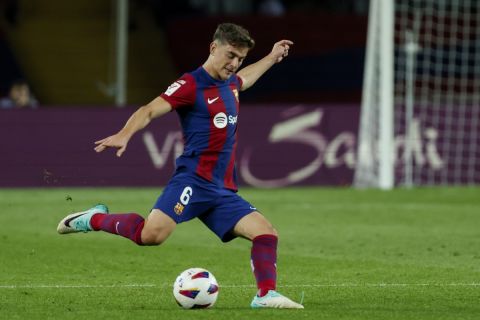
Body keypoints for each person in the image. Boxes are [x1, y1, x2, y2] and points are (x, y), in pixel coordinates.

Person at [57, 22, 302, 309]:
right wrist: (125, 133)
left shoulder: (231, 82)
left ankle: (265, 295)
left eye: (240, 59)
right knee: (151, 236)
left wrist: (272, 57)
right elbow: (148, 109)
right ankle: (94, 219)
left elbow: (244, 79)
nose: (234, 64)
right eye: (230, 55)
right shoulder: (190, 84)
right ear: (213, 48)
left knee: (266, 233)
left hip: (221, 189)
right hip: (192, 181)